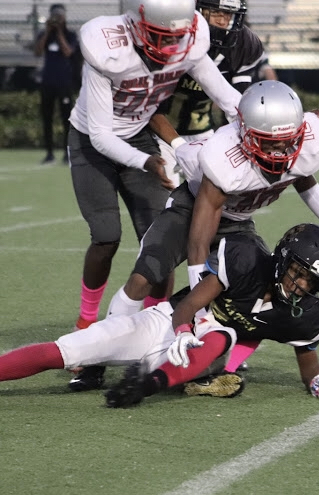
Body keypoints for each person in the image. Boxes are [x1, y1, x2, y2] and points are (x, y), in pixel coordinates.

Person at [79, 82, 319, 392]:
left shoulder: (307, 144)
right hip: (191, 212)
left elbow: (303, 178)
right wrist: (200, 312)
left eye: (287, 143)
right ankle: (96, 361)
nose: (279, 153)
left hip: (238, 220)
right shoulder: (223, 157)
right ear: (244, 134)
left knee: (255, 283)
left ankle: (211, 356)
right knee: (144, 277)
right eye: (269, 143)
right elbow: (198, 240)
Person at [0, 224, 319, 404]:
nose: (302, 286)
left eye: (312, 282)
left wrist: (317, 380)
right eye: (299, 273)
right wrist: (181, 330)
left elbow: (307, 357)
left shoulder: (305, 313)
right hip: (166, 322)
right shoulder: (246, 260)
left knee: (222, 336)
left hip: (201, 352)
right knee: (64, 350)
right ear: (283, 259)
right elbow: (190, 304)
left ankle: (151, 385)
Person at [66, 0, 243, 339]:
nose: (170, 46)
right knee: (106, 237)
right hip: (91, 143)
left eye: (176, 37)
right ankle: (87, 321)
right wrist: (146, 160)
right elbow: (103, 136)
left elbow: (225, 96)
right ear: (135, 24)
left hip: (138, 136)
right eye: (160, 37)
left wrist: (271, 123)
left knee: (158, 243)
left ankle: (152, 326)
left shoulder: (190, 40)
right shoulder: (108, 50)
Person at [149, 0, 266, 186]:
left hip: (202, 132)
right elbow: (152, 109)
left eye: (228, 14)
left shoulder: (243, 44)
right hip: (160, 132)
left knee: (219, 190)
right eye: (216, 13)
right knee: (166, 195)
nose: (222, 20)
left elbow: (238, 105)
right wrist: (179, 145)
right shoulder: (175, 38)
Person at [33, 3, 78, 165]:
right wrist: (47, 31)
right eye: (55, 16)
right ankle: (49, 153)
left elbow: (68, 52)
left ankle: (67, 153)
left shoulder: (70, 35)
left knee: (67, 119)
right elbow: (37, 52)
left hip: (64, 83)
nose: (57, 19)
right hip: (47, 83)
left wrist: (59, 32)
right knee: (47, 118)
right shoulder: (44, 35)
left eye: (60, 16)